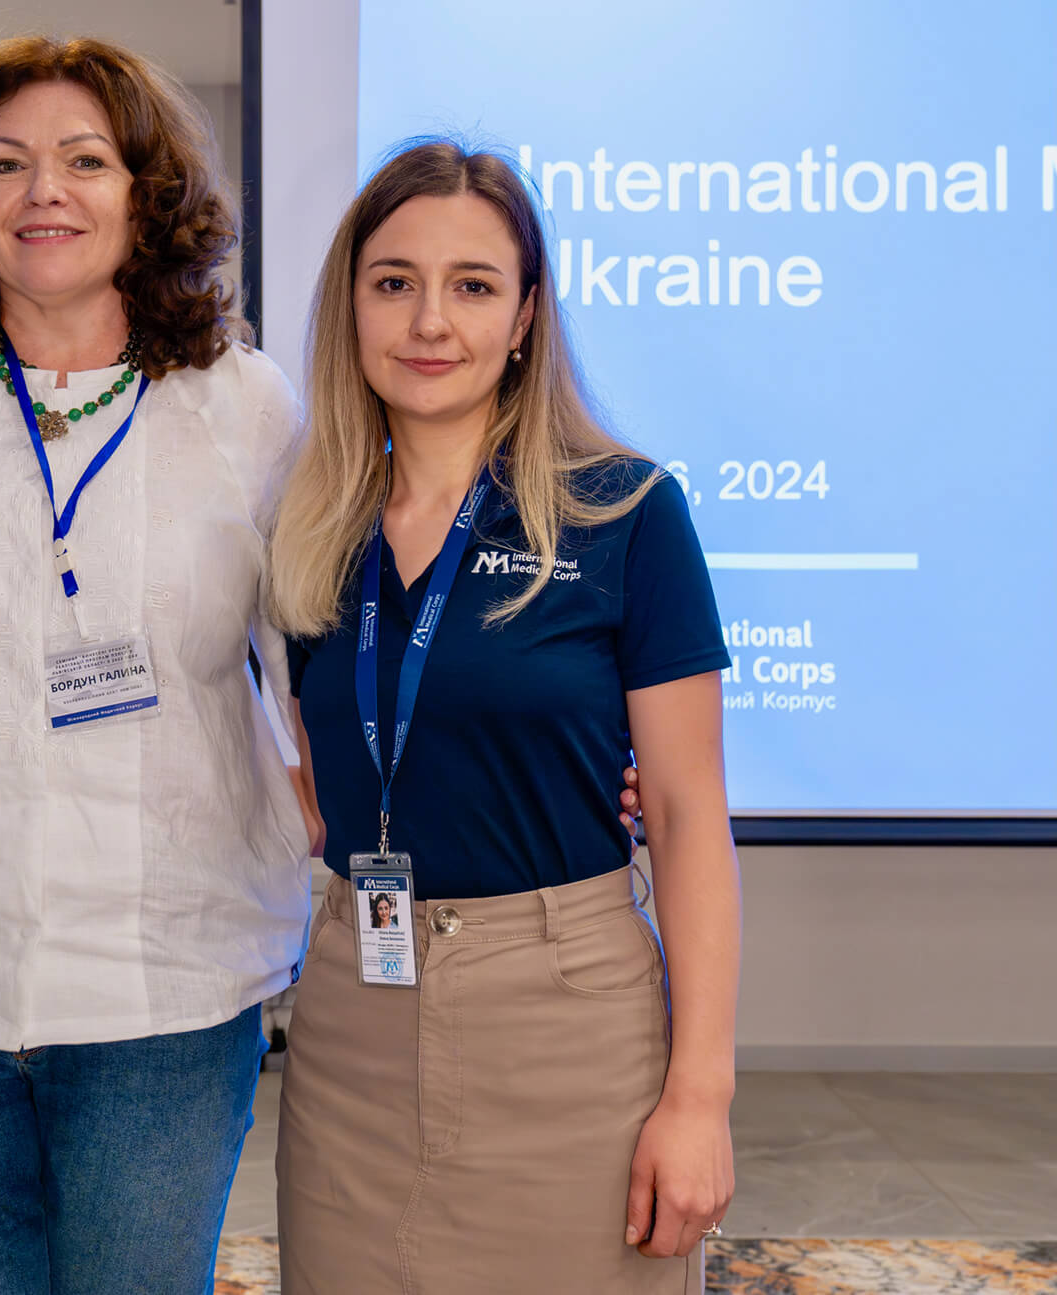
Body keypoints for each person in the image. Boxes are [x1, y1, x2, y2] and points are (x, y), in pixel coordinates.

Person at [0, 35, 308, 1295]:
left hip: (164, 990)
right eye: (6, 163)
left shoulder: (246, 407)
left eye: (85, 160)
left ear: (144, 195)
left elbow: (320, 657)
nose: (45, 191)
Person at [269, 140, 740, 1294]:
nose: (430, 320)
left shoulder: (624, 511)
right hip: (349, 1033)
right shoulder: (309, 530)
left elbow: (684, 816)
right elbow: (321, 776)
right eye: (393, 282)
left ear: (525, 314)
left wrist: (699, 1094)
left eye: (472, 285)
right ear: (350, 306)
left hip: (564, 1028)